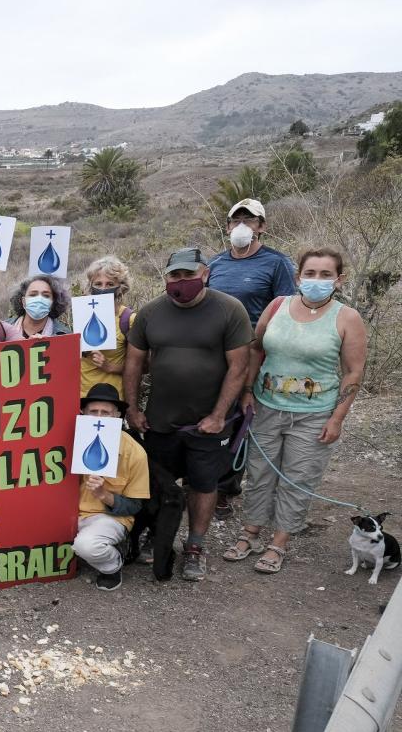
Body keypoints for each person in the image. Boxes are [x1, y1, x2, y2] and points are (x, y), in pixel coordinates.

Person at [223, 248, 367, 574]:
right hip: (267, 407)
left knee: (296, 478)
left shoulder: (347, 318)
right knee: (259, 474)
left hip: (314, 414)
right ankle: (250, 533)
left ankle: (279, 541)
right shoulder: (277, 307)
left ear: (339, 279)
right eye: (310, 273)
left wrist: (337, 418)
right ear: (299, 276)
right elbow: (256, 349)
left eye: (326, 274)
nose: (317, 280)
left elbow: (353, 372)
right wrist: (247, 391)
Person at [124, 247, 252, 581]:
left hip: (208, 423)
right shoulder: (151, 313)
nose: (181, 282)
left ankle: (195, 546)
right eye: (174, 275)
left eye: (188, 275)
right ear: (166, 277)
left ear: (205, 273)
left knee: (203, 484)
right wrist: (133, 409)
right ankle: (157, 535)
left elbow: (239, 366)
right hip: (160, 419)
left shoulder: (229, 310)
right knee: (156, 482)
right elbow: (134, 363)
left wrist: (220, 414)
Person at [207, 198, 296, 517]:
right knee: (214, 414)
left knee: (239, 418)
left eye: (250, 219)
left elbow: (285, 311)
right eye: (236, 219)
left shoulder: (277, 263)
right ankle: (205, 482)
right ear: (227, 226)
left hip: (252, 355)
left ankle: (226, 488)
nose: (242, 225)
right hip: (214, 354)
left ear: (262, 226)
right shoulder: (215, 264)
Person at [72, 384, 150, 591]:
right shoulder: (69, 439)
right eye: (93, 411)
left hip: (107, 518)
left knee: (86, 546)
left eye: (105, 412)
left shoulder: (135, 453)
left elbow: (134, 506)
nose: (99, 417)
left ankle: (112, 565)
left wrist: (104, 495)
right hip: (68, 513)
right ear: (83, 414)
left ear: (117, 416)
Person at [80, 256, 136, 397]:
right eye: (98, 284)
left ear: (120, 287)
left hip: (112, 398)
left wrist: (110, 367)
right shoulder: (81, 313)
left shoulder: (128, 319)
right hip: (81, 396)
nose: (103, 289)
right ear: (90, 286)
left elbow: (142, 367)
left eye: (110, 284)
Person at [6, 275, 72, 338]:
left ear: (53, 302)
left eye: (46, 296)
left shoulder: (64, 335)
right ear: (23, 301)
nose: (39, 299)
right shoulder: (1, 330)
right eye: (33, 295)